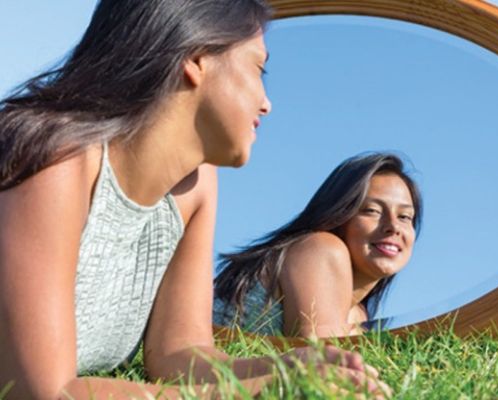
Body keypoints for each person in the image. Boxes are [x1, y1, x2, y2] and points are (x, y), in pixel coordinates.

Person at [0, 1, 390, 398]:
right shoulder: (54, 160)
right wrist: (260, 391)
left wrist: (293, 368)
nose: (267, 102)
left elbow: (177, 354)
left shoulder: (197, 185)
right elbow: (41, 392)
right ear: (197, 58)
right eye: (260, 69)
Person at [214, 153, 422, 338]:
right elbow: (322, 366)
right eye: (372, 211)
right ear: (339, 214)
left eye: (405, 217)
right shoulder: (321, 248)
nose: (393, 227)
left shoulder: (358, 315)